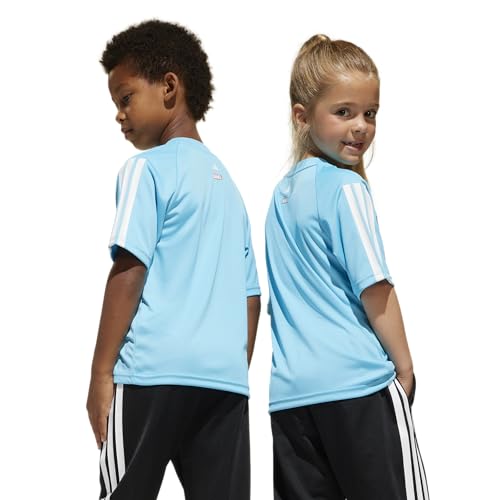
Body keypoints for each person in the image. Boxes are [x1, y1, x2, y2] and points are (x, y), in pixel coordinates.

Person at [86, 20, 261, 500]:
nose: (119, 115)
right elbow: (250, 298)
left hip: (151, 376)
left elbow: (129, 270)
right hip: (223, 383)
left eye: (125, 97)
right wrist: (227, 368)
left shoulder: (146, 169)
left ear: (169, 87)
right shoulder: (230, 189)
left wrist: (101, 375)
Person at [265, 34, 429, 500]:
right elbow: (374, 288)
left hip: (292, 400)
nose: (361, 127)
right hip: (357, 387)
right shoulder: (346, 189)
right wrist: (405, 368)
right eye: (344, 112)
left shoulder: (280, 197)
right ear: (302, 116)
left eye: (370, 113)